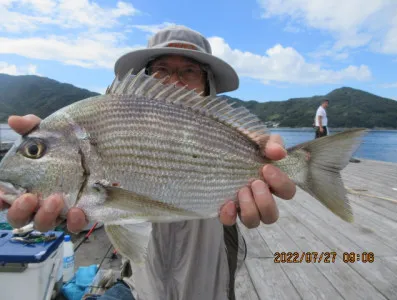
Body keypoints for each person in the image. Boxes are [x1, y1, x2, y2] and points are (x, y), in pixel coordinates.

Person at [0, 26, 296, 300]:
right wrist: (66, 208)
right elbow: (101, 207)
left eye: (189, 71)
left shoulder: (228, 135)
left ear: (209, 87)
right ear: (144, 79)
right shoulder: (103, 125)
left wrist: (271, 160)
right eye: (161, 70)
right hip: (140, 288)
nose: (174, 82)